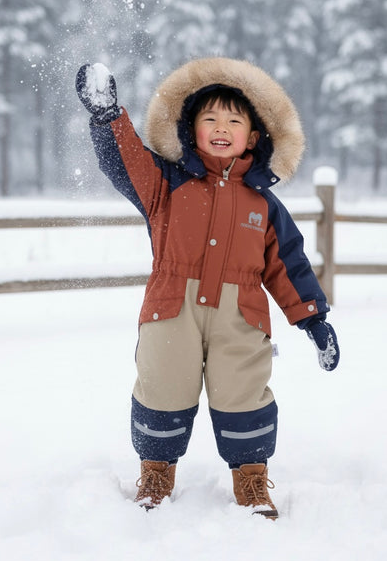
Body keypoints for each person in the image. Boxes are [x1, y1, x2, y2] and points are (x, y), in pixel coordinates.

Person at [75, 57, 340, 517]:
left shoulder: (264, 204)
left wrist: (314, 320)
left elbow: (288, 265)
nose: (222, 127)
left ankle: (251, 480)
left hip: (241, 317)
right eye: (210, 118)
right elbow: (126, 162)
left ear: (253, 136)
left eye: (234, 120)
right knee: (162, 387)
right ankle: (156, 472)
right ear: (190, 129)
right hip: (171, 307)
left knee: (244, 394)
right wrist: (108, 117)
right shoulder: (166, 184)